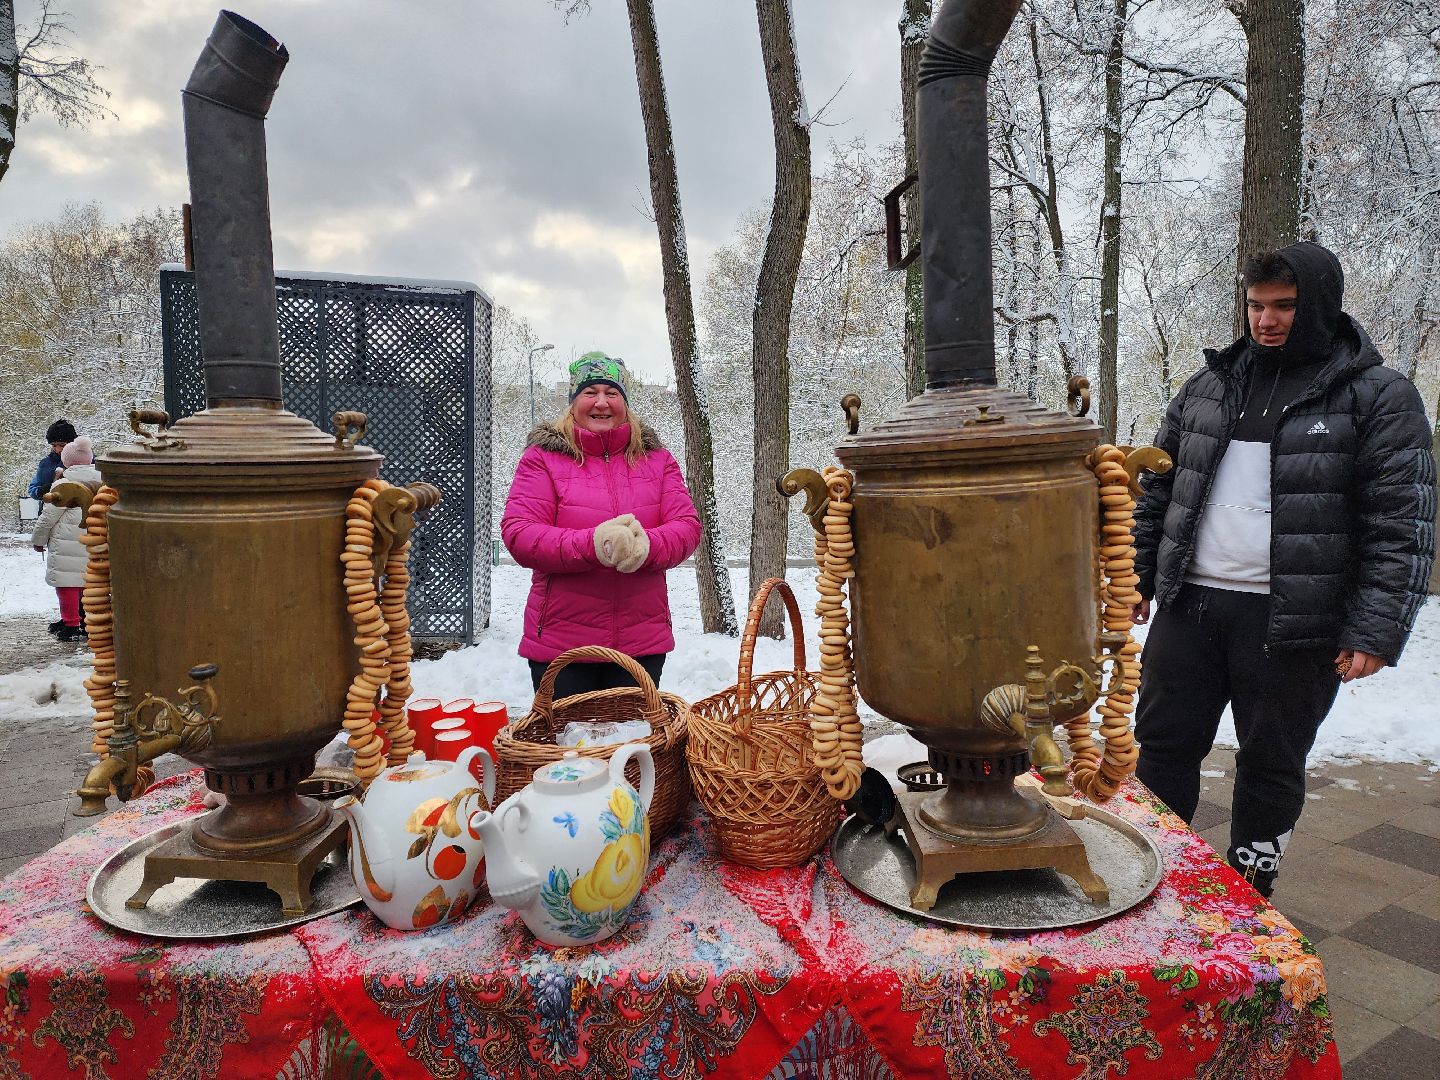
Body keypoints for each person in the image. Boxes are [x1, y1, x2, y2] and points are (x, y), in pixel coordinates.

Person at [1131, 241, 1437, 898]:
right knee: (1160, 746)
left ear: (1320, 306)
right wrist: (1136, 575)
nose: (1266, 320)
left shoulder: (1378, 396)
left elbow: (1401, 522)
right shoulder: (1209, 387)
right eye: (1256, 305)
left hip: (1295, 620)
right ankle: (1155, 878)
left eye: (1285, 306)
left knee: (1271, 763)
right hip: (1191, 606)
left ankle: (1250, 894)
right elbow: (1157, 488)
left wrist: (1375, 629)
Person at [502, 352, 702, 698]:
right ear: (573, 401)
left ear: (625, 402)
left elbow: (686, 527)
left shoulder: (657, 460)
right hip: (562, 647)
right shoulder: (543, 459)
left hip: (640, 644)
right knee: (566, 734)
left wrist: (646, 547)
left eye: (612, 393)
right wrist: (594, 544)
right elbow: (520, 534)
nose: (601, 402)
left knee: (632, 733)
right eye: (589, 392)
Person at [31, 435, 102, 643]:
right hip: (94, 541)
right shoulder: (102, 481)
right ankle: (89, 623)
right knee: (90, 585)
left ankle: (71, 624)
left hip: (65, 545)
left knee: (67, 585)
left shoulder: (64, 485)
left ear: (67, 461)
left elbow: (48, 517)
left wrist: (38, 540)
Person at [27, 419, 76, 500]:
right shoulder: (46, 464)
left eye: (62, 445)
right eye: (54, 445)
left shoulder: (87, 461)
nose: (58, 450)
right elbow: (32, 489)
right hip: (50, 506)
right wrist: (42, 491)